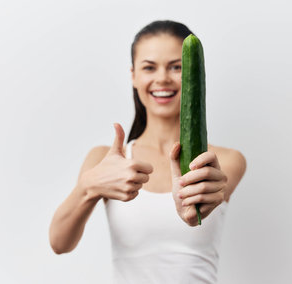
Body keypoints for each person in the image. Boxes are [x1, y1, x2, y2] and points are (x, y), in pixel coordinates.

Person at [49, 20, 247, 283]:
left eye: (177, 67)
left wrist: (200, 200)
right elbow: (60, 243)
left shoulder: (225, 162)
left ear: (194, 74)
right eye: (149, 67)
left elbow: (195, 212)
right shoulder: (104, 159)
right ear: (133, 75)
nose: (162, 78)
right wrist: (90, 186)